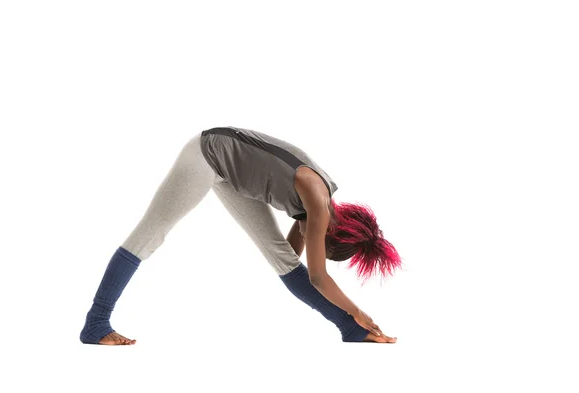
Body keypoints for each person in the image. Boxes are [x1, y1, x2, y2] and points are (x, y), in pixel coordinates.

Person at [79, 126, 402, 345]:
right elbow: (318, 277)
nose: (310, 241)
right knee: (151, 234)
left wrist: (352, 326)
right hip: (208, 154)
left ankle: (346, 330)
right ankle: (96, 322)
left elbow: (290, 261)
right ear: (329, 230)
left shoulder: (317, 210)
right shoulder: (317, 201)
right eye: (319, 243)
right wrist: (358, 311)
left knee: (281, 256)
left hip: (235, 177)